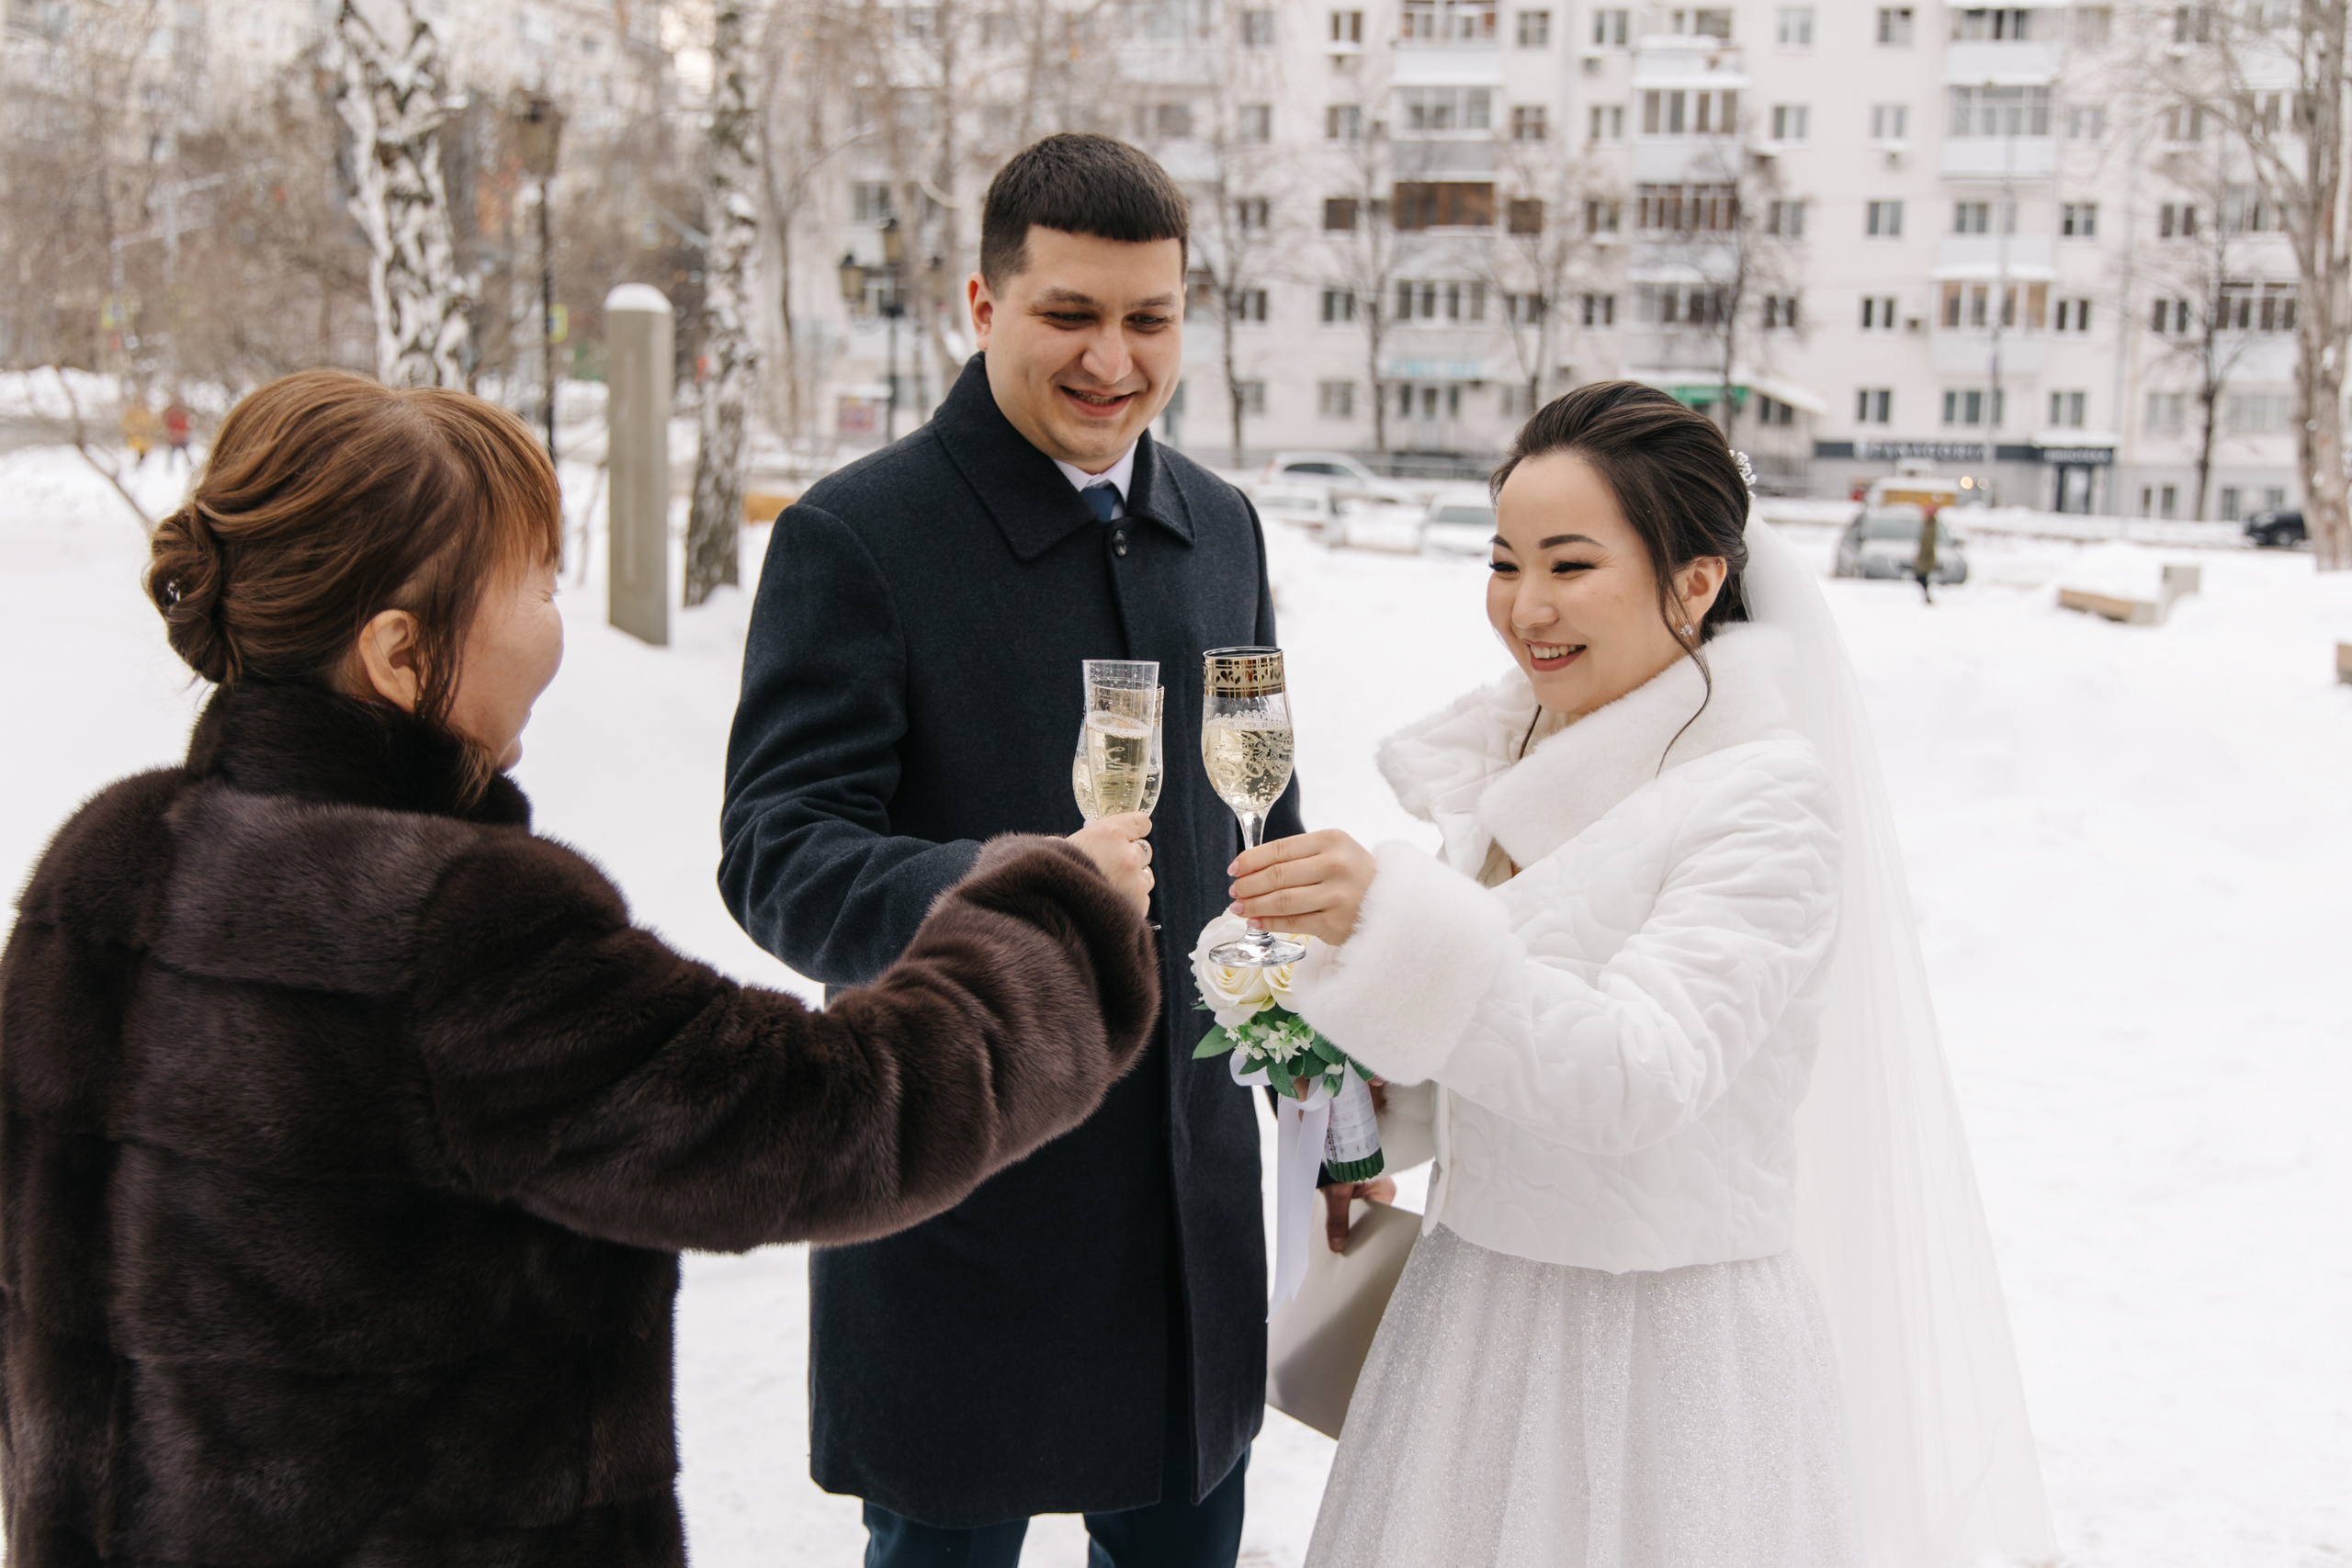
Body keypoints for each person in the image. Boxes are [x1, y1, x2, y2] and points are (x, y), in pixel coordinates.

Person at [0, 369, 1163, 1567]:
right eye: (538, 583)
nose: (557, 620)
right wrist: (1058, 920)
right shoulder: (452, 919)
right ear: (402, 652)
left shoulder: (102, 864)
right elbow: (834, 1112)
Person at [1227, 382, 2054, 1567]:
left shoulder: (1766, 801)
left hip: (1661, 1363)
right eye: (1504, 562)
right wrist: (1357, 1110)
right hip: (1473, 1320)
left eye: (1570, 565)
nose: (1526, 606)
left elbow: (1638, 1074)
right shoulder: (1523, 753)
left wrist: (1395, 928)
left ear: (1696, 581)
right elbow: (1495, 1034)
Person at [720, 133, 1300, 1566]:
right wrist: (1008, 883)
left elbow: (1261, 813)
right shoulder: (855, 537)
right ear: (983, 308)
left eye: (1149, 319)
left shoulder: (1218, 528)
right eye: (1071, 315)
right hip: (959, 1179)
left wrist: (1329, 1076)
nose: (1115, 358)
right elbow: (777, 849)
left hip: (1184, 1201)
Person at [1914, 502, 1942, 603]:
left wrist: (1921, 558)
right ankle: (1925, 596)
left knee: (1921, 578)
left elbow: (1927, 545)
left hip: (1926, 557)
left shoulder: (1930, 527)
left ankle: (1925, 597)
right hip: (1925, 557)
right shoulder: (1929, 525)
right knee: (1922, 578)